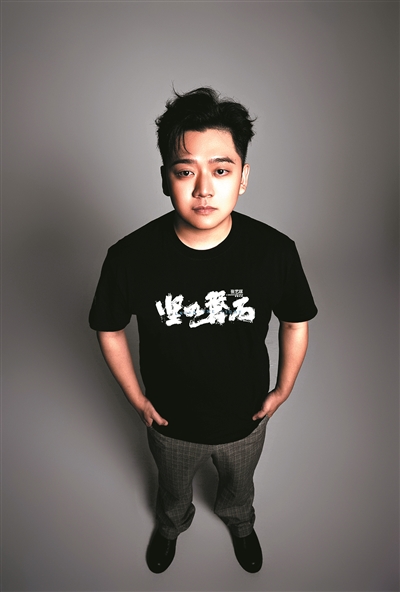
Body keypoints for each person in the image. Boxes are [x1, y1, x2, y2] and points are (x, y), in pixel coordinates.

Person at [89, 87, 317, 574]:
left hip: (247, 417)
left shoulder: (274, 251)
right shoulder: (130, 258)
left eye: (221, 170)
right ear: (165, 178)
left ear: (243, 177)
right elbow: (108, 328)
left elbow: (295, 319)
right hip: (170, 424)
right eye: (185, 171)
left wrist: (283, 390)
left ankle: (240, 521)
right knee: (172, 491)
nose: (204, 190)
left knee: (239, 487)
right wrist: (137, 399)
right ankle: (171, 526)